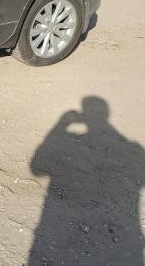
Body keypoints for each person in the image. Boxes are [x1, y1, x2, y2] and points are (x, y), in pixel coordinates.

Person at [28, 96, 145, 265]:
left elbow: (36, 168)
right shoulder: (135, 148)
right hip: (131, 240)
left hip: (56, 224)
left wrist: (60, 126)